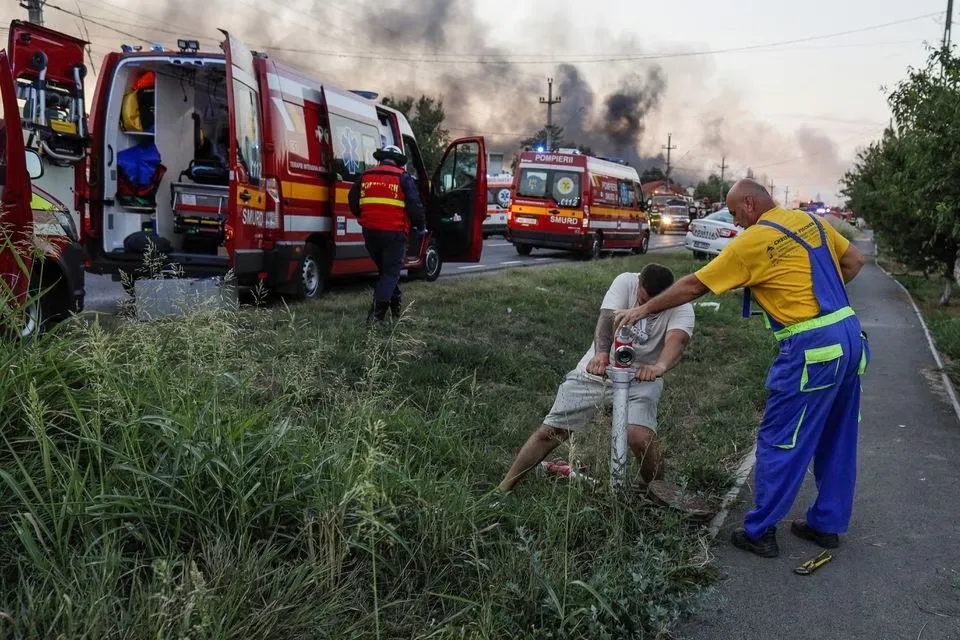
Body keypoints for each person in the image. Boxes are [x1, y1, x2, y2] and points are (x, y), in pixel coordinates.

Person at [615, 179, 868, 558]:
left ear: (750, 203)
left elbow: (693, 286)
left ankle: (760, 532)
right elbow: (854, 261)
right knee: (837, 435)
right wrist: (817, 302)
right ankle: (826, 525)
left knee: (780, 438)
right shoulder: (809, 221)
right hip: (849, 335)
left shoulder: (753, 242)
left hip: (811, 351)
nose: (737, 223)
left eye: (736, 213)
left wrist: (643, 309)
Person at [498, 264, 695, 492]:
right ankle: (504, 488)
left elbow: (677, 342)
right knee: (552, 431)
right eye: (642, 300)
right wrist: (601, 355)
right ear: (638, 282)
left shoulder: (682, 306)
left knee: (640, 437)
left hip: (641, 379)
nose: (647, 307)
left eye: (655, 304)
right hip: (597, 372)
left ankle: (658, 493)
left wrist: (659, 366)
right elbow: (605, 320)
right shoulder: (625, 282)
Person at [348, 145, 426, 323]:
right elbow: (415, 205)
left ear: (380, 159)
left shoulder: (366, 176)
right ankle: (375, 318)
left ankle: (396, 307)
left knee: (386, 271)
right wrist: (420, 225)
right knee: (390, 273)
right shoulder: (402, 177)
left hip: (370, 233)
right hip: (394, 233)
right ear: (399, 162)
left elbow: (352, 199)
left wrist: (363, 215)